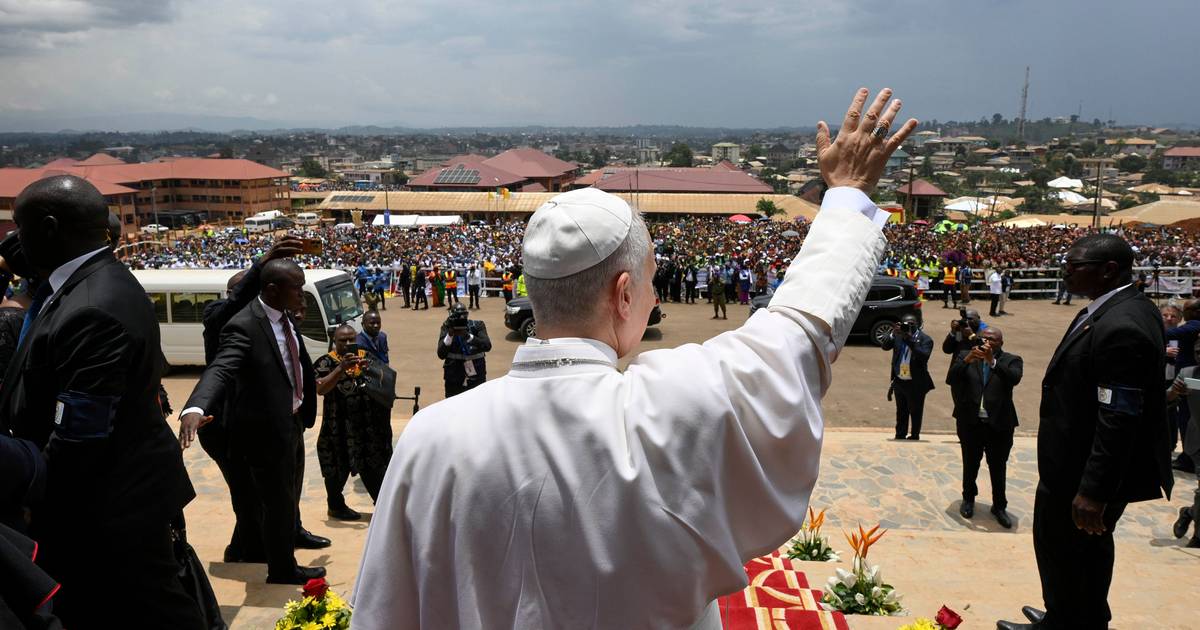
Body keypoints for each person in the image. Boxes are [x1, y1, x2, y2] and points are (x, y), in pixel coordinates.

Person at [352, 87, 916, 628]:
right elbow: (799, 329)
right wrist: (845, 192)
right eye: (649, 283)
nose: (652, 295)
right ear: (624, 294)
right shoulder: (668, 411)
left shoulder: (429, 439)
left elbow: (381, 613)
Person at [0, 175, 202, 627]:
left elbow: (79, 437)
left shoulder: (93, 307)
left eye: (21, 228)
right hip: (113, 500)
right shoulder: (86, 279)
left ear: (50, 229)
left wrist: (31, 500)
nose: (15, 241)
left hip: (107, 509)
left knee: (150, 612)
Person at [998, 234, 1173, 630]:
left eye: (1075, 266)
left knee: (1076, 553)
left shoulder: (1123, 324)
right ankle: (1063, 616)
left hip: (1083, 473)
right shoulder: (1108, 308)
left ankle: (1076, 622)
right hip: (1071, 466)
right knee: (1065, 551)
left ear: (1108, 270)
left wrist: (1095, 491)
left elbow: (1120, 416)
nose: (1066, 271)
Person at [179, 259, 328, 585]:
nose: (302, 295)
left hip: (290, 422)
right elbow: (220, 368)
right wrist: (195, 406)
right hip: (263, 431)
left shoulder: (284, 317)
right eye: (297, 288)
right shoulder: (243, 325)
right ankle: (281, 569)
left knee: (286, 498)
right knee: (274, 502)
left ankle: (283, 555)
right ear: (272, 290)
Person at [199, 235, 304, 564]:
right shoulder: (220, 319)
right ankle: (246, 550)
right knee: (248, 494)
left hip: (277, 420)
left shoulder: (271, 321)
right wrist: (262, 263)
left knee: (283, 488)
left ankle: (288, 533)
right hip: (227, 426)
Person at [314, 325, 394, 519]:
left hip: (366, 427)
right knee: (336, 468)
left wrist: (371, 371)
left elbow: (385, 378)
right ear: (334, 340)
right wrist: (341, 369)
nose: (349, 344)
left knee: (373, 466)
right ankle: (335, 506)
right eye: (343, 340)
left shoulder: (365, 356)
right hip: (338, 427)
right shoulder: (325, 362)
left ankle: (384, 508)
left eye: (352, 340)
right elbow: (320, 388)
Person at [947, 327, 1022, 528]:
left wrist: (992, 361)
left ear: (1001, 343)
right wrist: (967, 360)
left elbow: (1013, 378)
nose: (987, 342)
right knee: (970, 464)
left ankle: (999, 506)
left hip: (999, 425)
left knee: (998, 467)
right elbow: (951, 379)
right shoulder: (965, 355)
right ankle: (968, 499)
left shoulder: (1011, 360)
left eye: (992, 339)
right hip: (971, 423)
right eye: (984, 338)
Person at [1166, 338, 1200, 548]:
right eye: (1198, 352)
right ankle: (1198, 537)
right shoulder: (1188, 374)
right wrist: (1175, 392)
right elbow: (1166, 400)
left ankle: (1189, 512)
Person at [880, 313, 934, 440]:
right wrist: (893, 333)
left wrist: (909, 339)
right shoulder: (898, 336)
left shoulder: (926, 339)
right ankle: (900, 434)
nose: (908, 326)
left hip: (916, 382)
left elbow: (923, 356)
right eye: (905, 324)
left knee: (915, 411)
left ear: (918, 324)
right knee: (901, 411)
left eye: (911, 324)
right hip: (900, 380)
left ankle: (915, 435)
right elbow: (885, 346)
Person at [436, 303, 492, 398]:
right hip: (454, 380)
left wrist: (468, 337)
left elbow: (487, 346)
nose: (459, 320)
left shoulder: (477, 326)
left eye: (462, 316)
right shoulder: (446, 328)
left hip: (476, 378)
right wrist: (450, 335)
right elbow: (441, 354)